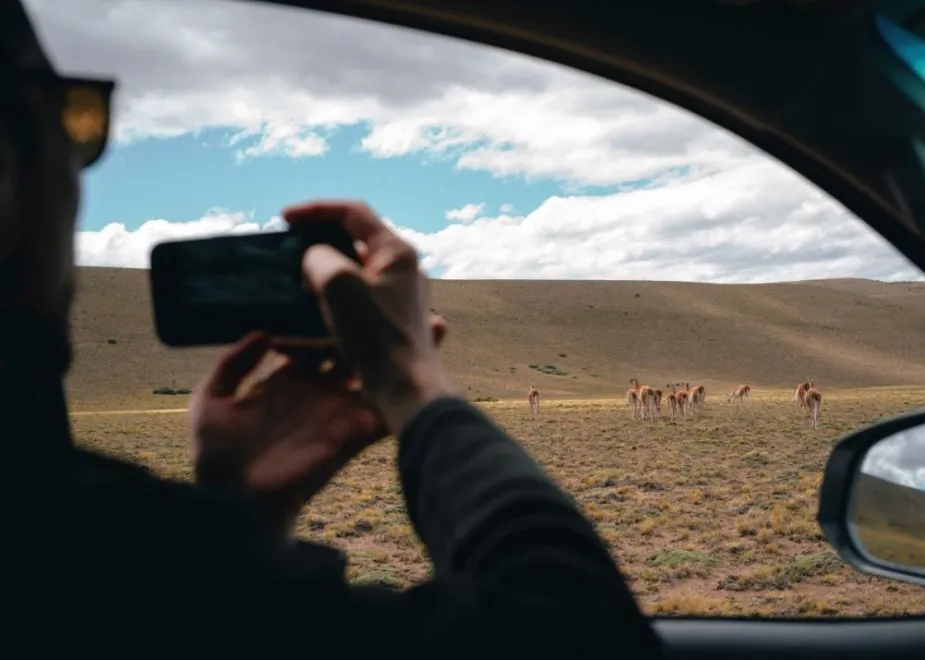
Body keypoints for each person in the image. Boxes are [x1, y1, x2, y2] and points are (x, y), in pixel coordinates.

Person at [4, 1, 664, 656]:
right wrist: (416, 385)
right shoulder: (76, 536)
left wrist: (236, 521)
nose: (74, 158)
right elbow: (580, 636)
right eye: (71, 120)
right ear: (16, 163)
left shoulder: (61, 546)